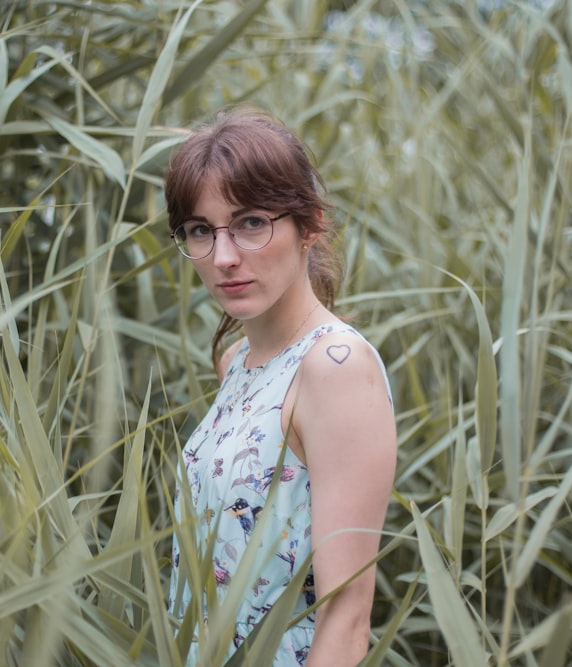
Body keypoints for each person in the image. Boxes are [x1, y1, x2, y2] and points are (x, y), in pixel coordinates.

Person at [165, 107, 398, 666]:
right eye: (201, 230)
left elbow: (347, 615)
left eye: (251, 223)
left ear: (309, 224)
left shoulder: (335, 369)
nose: (223, 258)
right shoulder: (238, 359)